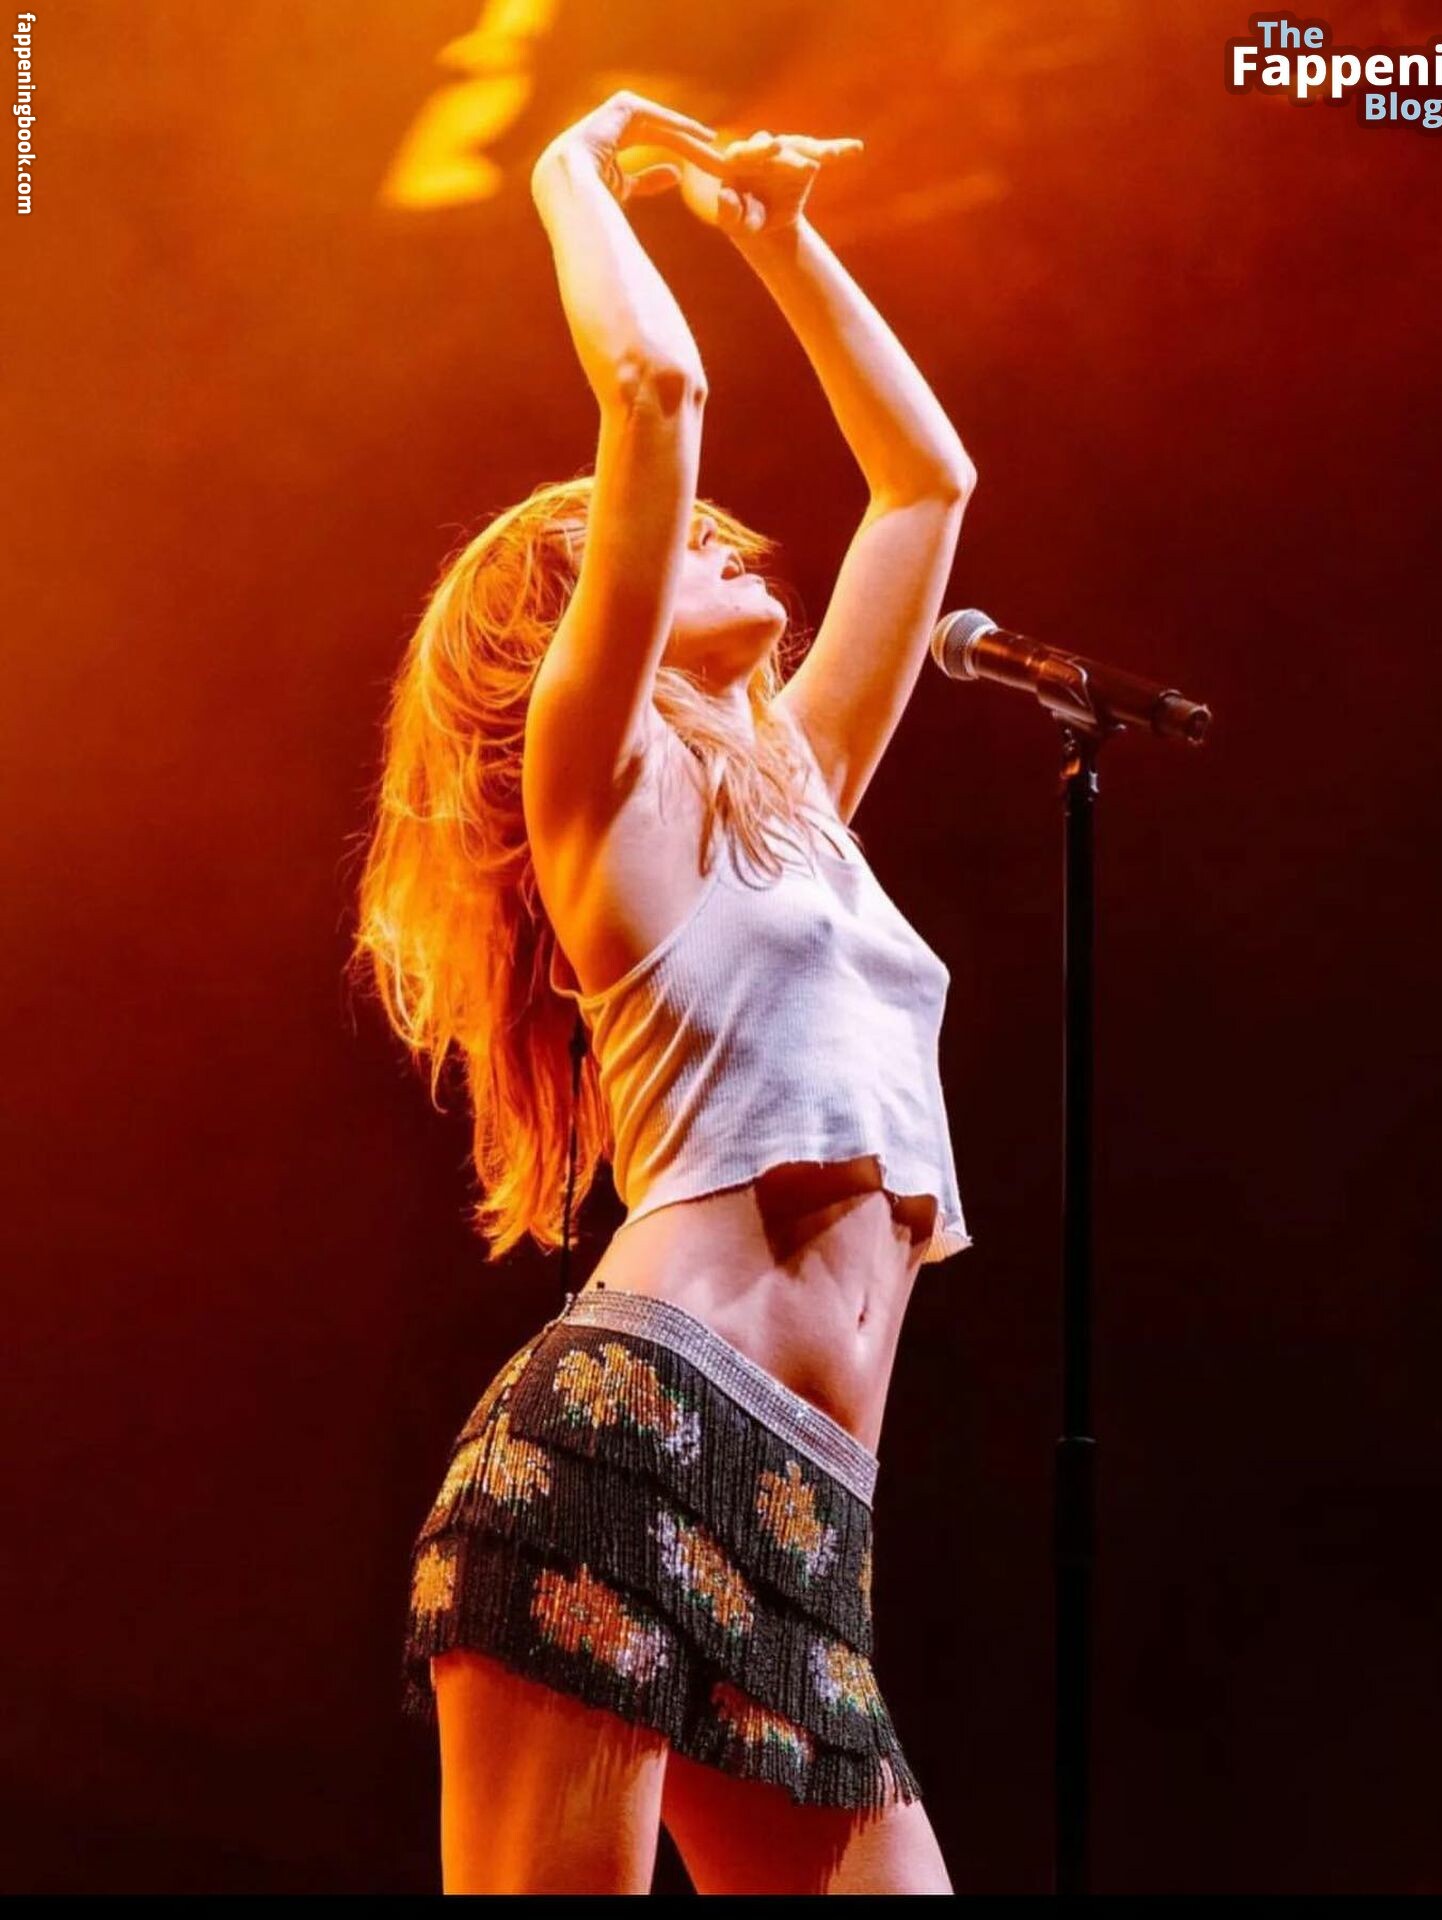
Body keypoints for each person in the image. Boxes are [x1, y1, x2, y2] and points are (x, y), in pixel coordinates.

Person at [351, 90, 978, 1896]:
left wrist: (780, 237)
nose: (730, 543)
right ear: (582, 619)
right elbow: (655, 390)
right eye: (681, 539)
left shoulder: (796, 806)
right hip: (632, 1445)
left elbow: (928, 487)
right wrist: (574, 165)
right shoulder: (603, 790)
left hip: (810, 1521)